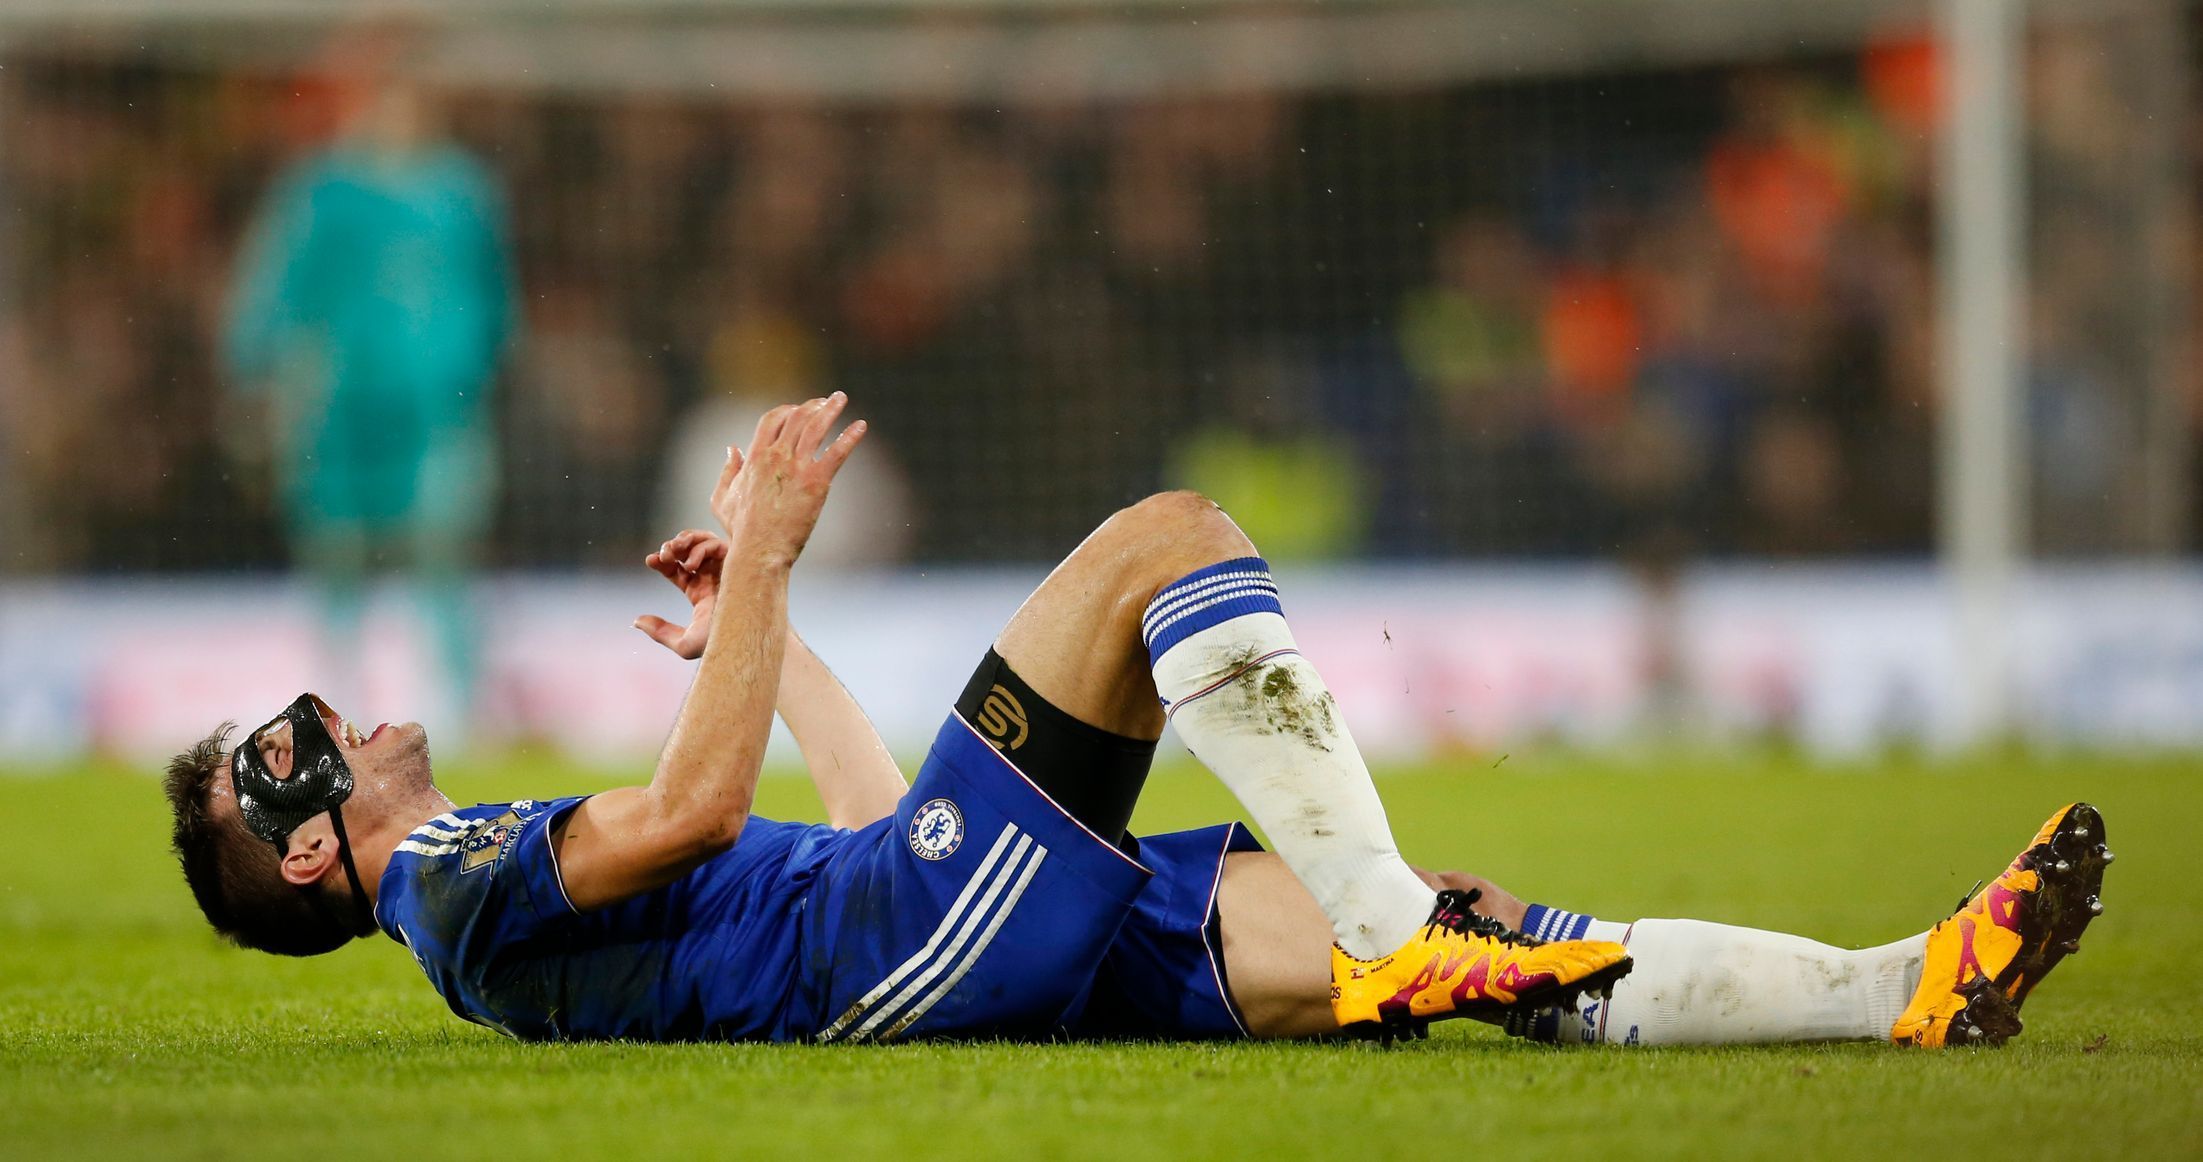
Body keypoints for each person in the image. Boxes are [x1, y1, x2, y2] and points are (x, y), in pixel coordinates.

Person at [163, 395, 2106, 1048]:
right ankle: (1382, 917)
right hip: (913, 936)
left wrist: (783, 637)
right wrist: (760, 558)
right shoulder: (442, 877)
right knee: (1168, 540)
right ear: (315, 850)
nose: (304, 720)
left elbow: (814, 842)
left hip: (915, 920)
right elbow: (691, 813)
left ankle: (1908, 989)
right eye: (271, 762)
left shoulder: (476, 877)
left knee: (1494, 942)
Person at [221, 36, 515, 731]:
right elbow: (277, 284)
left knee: (444, 544)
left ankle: (463, 700)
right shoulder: (323, 190)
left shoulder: (461, 190)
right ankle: (333, 702)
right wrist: (254, 371)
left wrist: (476, 364)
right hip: (339, 401)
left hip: (434, 403)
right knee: (338, 552)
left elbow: (491, 293)